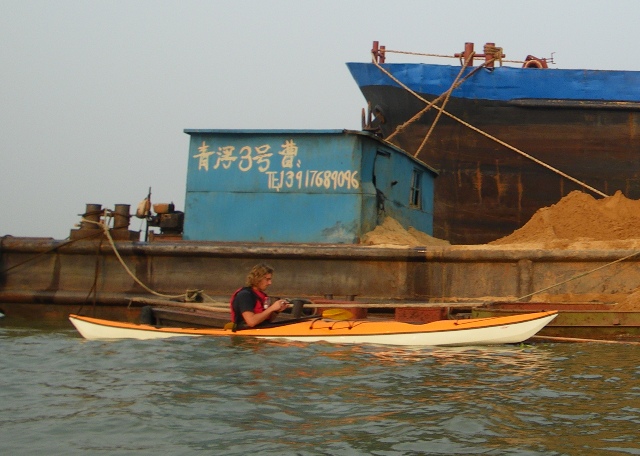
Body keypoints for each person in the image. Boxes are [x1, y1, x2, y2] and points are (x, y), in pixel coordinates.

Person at [230, 263, 289, 328]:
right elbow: (251, 322)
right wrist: (271, 308)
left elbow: (265, 318)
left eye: (270, 279)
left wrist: (276, 311)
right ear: (258, 278)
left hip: (262, 328)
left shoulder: (262, 295)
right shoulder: (244, 295)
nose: (270, 283)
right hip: (245, 330)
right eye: (267, 279)